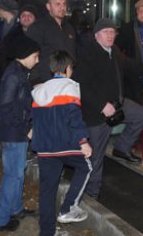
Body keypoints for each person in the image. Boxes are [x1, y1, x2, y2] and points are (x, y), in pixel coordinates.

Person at [74, 18, 143, 200]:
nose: (110, 35)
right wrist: (101, 105)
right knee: (95, 156)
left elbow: (130, 65)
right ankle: (91, 193)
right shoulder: (88, 54)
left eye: (112, 32)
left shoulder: (114, 51)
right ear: (97, 35)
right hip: (96, 113)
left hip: (118, 104)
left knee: (140, 115)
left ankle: (121, 148)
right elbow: (80, 85)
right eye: (106, 32)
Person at [31, 50, 93, 236]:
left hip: (44, 148)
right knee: (87, 167)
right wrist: (83, 141)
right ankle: (68, 208)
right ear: (67, 68)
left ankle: (47, 232)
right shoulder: (69, 86)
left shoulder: (40, 90)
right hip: (65, 144)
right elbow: (74, 117)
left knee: (47, 191)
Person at [0, 34, 40, 233]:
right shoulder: (13, 75)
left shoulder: (19, 72)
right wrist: (26, 129)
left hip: (16, 132)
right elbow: (8, 107)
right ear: (25, 55)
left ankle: (16, 208)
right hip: (14, 134)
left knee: (18, 174)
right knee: (12, 176)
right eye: (35, 56)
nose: (37, 60)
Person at [26, 0, 77, 84]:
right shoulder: (38, 27)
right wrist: (36, 82)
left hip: (67, 81)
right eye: (57, 4)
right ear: (48, 7)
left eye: (64, 4)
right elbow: (30, 55)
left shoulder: (69, 27)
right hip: (45, 81)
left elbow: (73, 54)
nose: (62, 8)